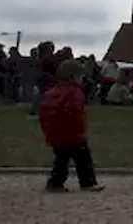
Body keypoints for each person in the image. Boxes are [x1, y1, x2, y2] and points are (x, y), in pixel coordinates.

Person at [39, 60, 104, 193]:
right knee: (83, 160)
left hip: (56, 133)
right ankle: (87, 183)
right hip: (73, 133)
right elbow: (76, 113)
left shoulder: (51, 92)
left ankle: (55, 183)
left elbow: (44, 114)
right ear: (74, 76)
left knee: (61, 160)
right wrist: (82, 130)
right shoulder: (75, 93)